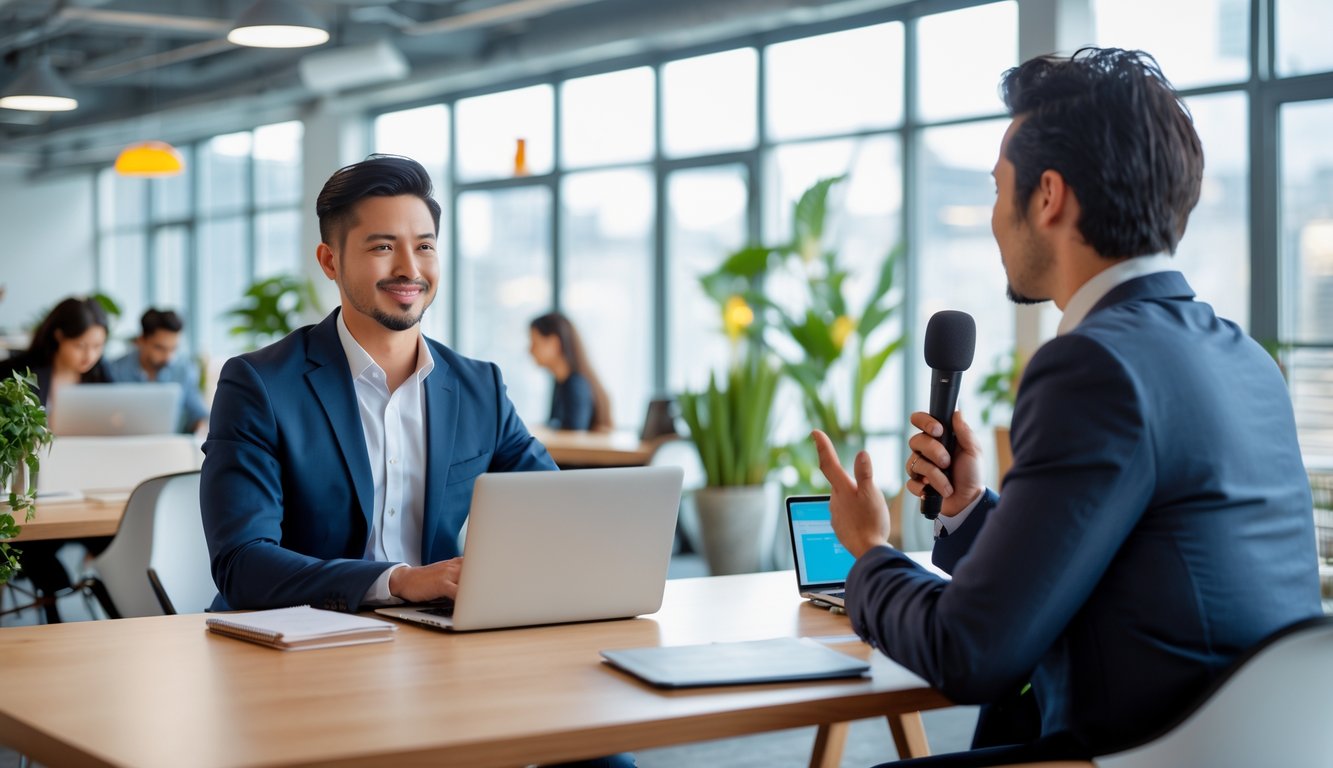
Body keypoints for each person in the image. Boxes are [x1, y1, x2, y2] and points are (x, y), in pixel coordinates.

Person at [812, 48, 1321, 767]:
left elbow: (970, 652)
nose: (992, 218)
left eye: (998, 189)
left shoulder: (1095, 364)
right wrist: (966, 508)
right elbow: (1113, 573)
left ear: (1046, 196)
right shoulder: (1243, 358)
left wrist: (869, 551)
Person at [0, 296, 112, 623]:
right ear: (59, 335)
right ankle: (56, 615)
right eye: (81, 345)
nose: (90, 356)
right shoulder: (16, 374)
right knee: (37, 550)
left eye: (98, 346)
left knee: (121, 537)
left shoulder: (103, 377)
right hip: (33, 495)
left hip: (87, 493)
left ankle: (123, 618)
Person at [106, 308, 209, 433]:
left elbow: (199, 415)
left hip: (170, 446)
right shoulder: (115, 370)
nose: (168, 357)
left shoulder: (184, 370)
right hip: (125, 444)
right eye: (160, 348)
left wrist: (201, 429)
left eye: (173, 349)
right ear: (141, 341)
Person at [529, 311, 612, 432]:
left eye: (535, 343)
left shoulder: (575, 385)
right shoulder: (561, 382)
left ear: (554, 344)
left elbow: (572, 435)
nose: (530, 350)